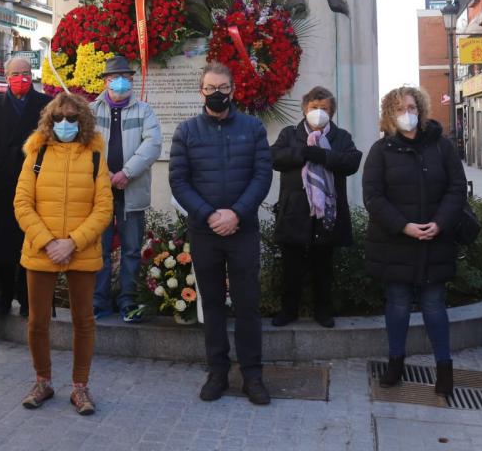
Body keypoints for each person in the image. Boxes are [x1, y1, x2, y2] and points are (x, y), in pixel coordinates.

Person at [170, 62, 272, 405]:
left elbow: (262, 175)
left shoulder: (253, 128)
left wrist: (236, 213)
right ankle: (217, 374)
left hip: (242, 230)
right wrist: (210, 215)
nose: (217, 93)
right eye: (210, 87)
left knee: (247, 305)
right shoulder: (186, 131)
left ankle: (252, 376)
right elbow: (179, 181)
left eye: (223, 87)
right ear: (201, 91)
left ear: (233, 89)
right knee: (212, 305)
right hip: (205, 231)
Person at [363, 85, 466, 398]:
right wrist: (404, 226)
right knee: (397, 305)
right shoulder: (381, 151)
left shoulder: (441, 147)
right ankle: (395, 363)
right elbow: (373, 197)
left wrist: (440, 223)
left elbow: (456, 188)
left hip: (436, 240)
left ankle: (444, 369)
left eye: (411, 107)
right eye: (399, 109)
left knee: (435, 305)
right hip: (396, 242)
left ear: (420, 110)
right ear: (389, 115)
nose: (406, 114)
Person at [14, 93, 113, 416]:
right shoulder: (36, 152)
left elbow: (103, 208)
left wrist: (72, 242)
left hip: (80, 250)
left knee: (84, 321)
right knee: (37, 321)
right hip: (41, 249)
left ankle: (80, 387)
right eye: (59, 118)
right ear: (49, 120)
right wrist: (47, 241)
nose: (65, 124)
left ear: (82, 120)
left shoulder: (95, 155)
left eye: (72, 118)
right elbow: (22, 203)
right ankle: (42, 381)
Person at [271, 85, 362, 328]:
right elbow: (274, 157)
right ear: (304, 109)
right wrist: (304, 153)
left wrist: (324, 156)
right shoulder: (290, 134)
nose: (318, 112)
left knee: (323, 267)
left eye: (323, 108)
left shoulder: (341, 137)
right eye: (314, 107)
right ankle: (288, 310)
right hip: (295, 212)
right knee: (291, 267)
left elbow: (352, 161)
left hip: (327, 214)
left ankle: (323, 310)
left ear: (331, 112)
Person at [0, 55, 52, 317]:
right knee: (2, 243)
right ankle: (3, 294)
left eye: (25, 72)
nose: (21, 77)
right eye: (15, 73)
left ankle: (27, 297)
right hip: (2, 185)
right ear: (6, 77)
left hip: (37, 184)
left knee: (31, 241)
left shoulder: (46, 105)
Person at [91, 56, 162, 322]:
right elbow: (84, 146)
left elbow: (152, 145)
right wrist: (105, 174)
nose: (119, 82)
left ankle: (128, 302)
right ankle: (99, 301)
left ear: (132, 81)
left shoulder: (145, 111)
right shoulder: (90, 110)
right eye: (113, 78)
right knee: (99, 249)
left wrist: (125, 173)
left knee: (132, 249)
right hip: (100, 192)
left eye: (125, 78)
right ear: (105, 81)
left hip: (132, 192)